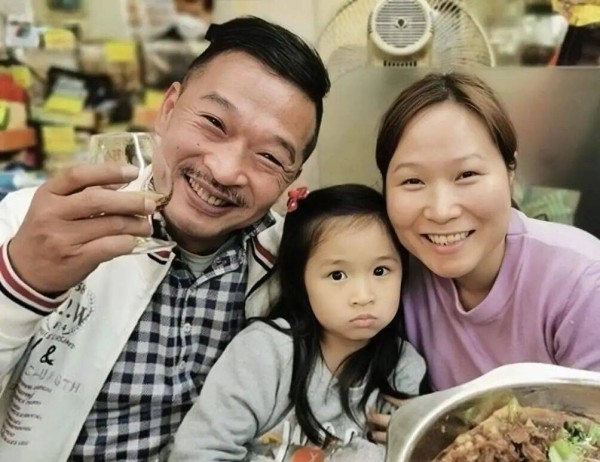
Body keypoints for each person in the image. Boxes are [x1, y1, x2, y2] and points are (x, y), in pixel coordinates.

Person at [0, 16, 330, 460]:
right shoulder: (32, 225)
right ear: (169, 108)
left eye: (269, 156)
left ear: (291, 176)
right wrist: (23, 285)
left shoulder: (295, 266)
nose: (225, 171)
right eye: (214, 122)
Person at [373, 71, 600, 394]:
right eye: (412, 181)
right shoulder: (389, 270)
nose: (441, 210)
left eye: (466, 174)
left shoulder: (582, 283)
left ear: (510, 171)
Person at [169, 184, 426, 461]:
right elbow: (198, 453)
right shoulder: (264, 353)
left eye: (380, 270)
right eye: (337, 275)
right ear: (300, 280)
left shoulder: (403, 365)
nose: (363, 296)